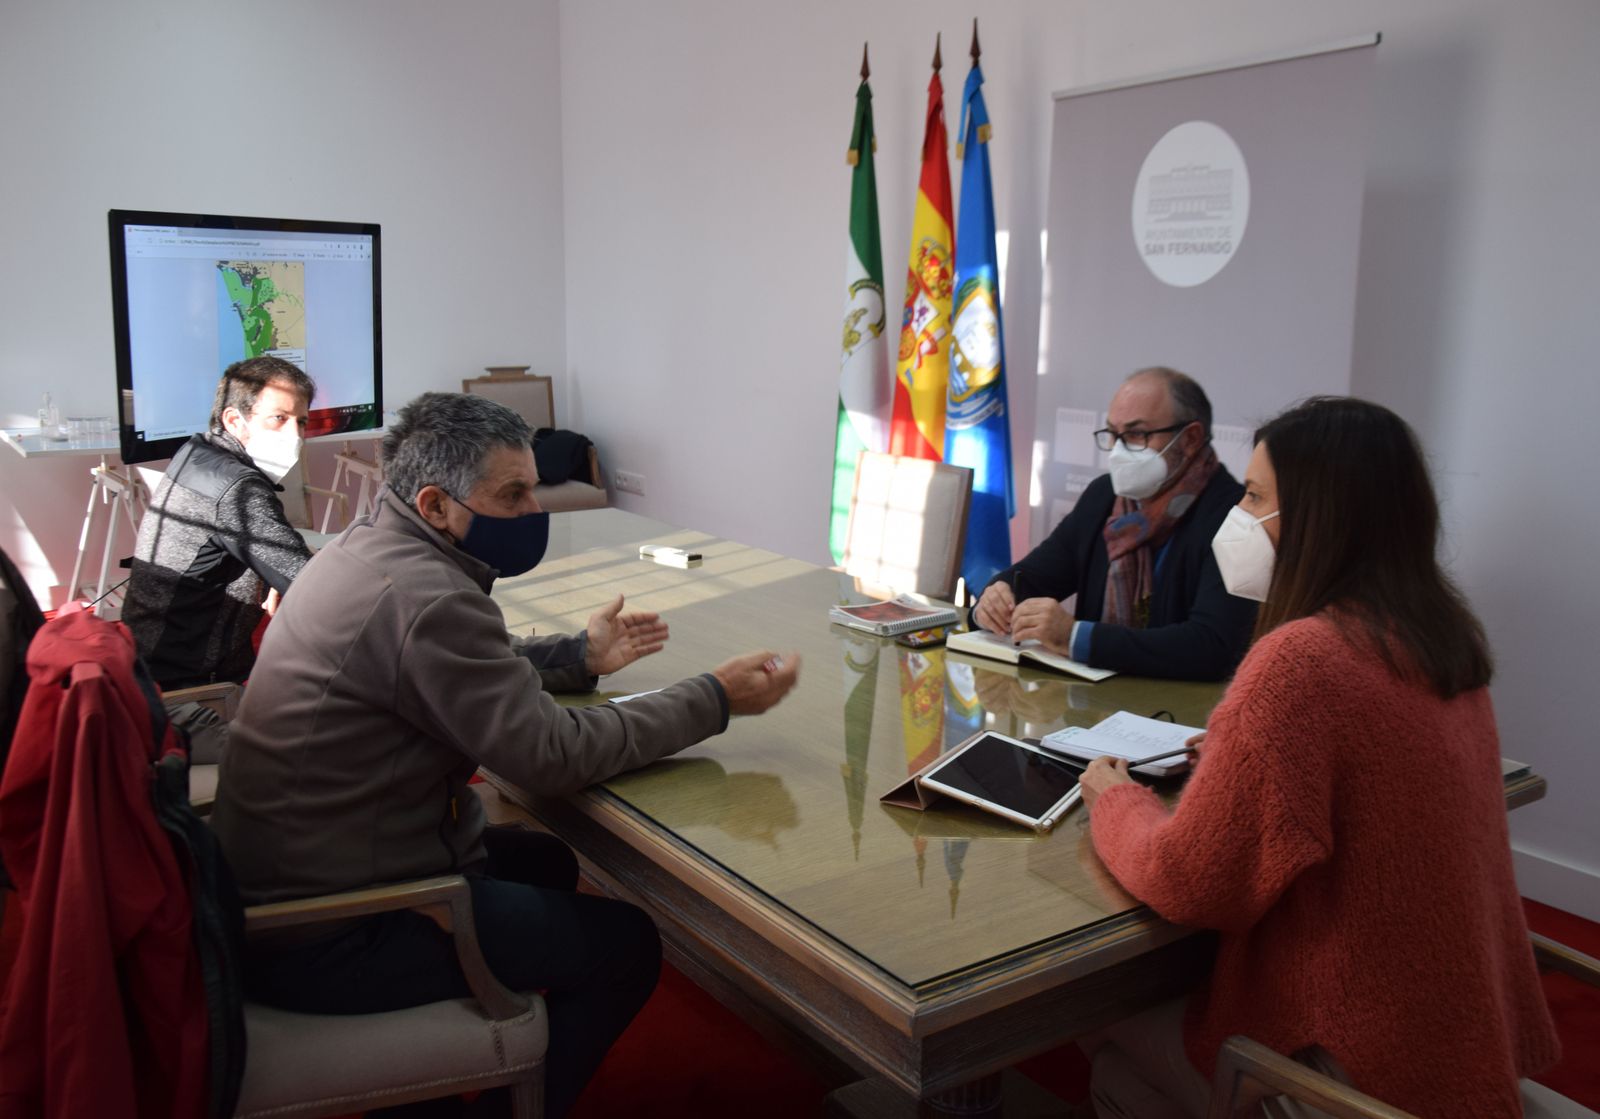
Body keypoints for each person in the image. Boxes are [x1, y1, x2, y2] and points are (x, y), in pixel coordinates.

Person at [211, 391, 801, 1119]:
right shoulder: (427, 595)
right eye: (513, 494)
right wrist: (713, 697)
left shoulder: (371, 546)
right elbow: (551, 754)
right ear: (435, 503)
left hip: (286, 884)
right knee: (627, 944)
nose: (534, 509)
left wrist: (579, 655)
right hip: (331, 933)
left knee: (546, 861)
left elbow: (463, 661)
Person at [1078, 397, 1559, 1118]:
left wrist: (1115, 800)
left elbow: (1188, 882)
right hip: (1458, 1051)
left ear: (1318, 518)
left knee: (1092, 1017)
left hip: (1350, 1077)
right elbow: (1373, 774)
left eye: (1254, 496)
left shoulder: (1302, 661)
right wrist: (1247, 755)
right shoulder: (1442, 639)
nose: (1237, 514)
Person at [973, 367, 1255, 680]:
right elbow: (1032, 577)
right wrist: (996, 597)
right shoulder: (1104, 497)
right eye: (1113, 435)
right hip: (1091, 699)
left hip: (1179, 706)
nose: (1119, 451)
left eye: (1136, 435)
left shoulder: (1234, 515)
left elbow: (1212, 646)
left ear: (1190, 439)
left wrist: (1075, 637)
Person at [122, 355, 315, 693]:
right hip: (186, 684)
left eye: (300, 422)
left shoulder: (198, 452)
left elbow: (279, 560)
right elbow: (312, 584)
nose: (294, 435)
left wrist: (272, 571)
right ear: (234, 420)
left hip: (146, 657)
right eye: (279, 419)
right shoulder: (237, 488)